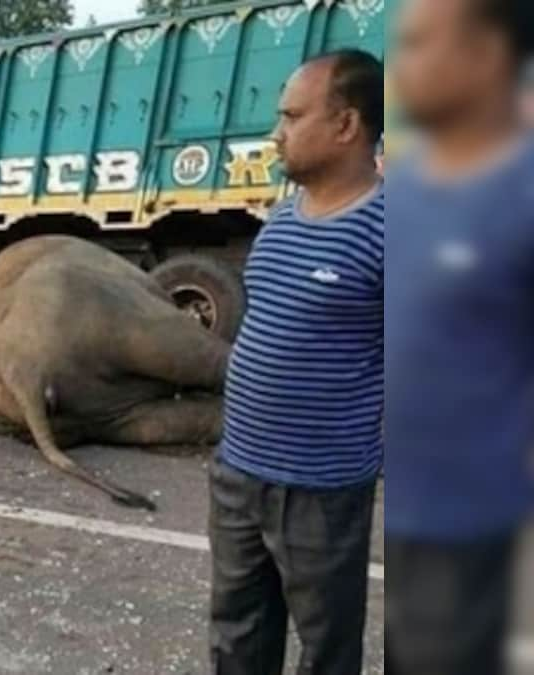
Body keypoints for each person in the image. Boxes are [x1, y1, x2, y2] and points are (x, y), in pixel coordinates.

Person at [208, 50, 385, 675]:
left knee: (325, 649)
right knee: (236, 635)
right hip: (238, 474)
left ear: (346, 126)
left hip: (321, 491)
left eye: (291, 115)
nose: (276, 133)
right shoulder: (281, 220)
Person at [386, 1, 533, 673]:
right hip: (409, 509)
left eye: (419, 44)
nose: (400, 65)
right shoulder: (414, 185)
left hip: (474, 519)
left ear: (487, 57)